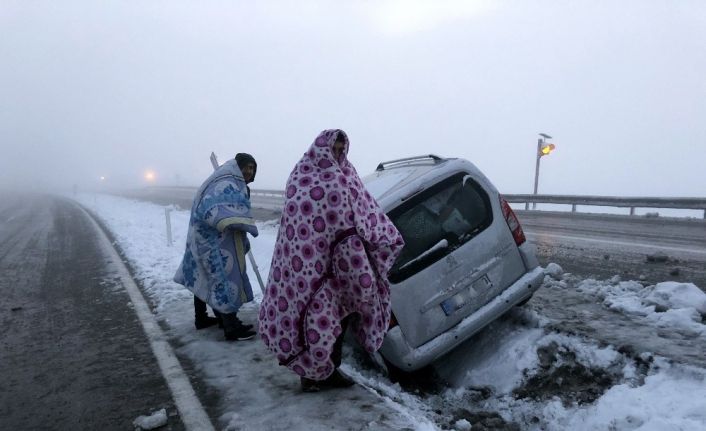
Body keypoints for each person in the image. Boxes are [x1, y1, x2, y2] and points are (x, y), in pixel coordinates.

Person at [258, 129, 404, 392]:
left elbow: (363, 208)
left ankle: (327, 370)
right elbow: (296, 218)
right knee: (314, 319)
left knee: (337, 321)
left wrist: (379, 237)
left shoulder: (348, 173)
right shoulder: (303, 175)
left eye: (341, 149)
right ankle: (314, 374)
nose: (337, 154)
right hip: (308, 264)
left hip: (345, 263)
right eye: (333, 149)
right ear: (321, 148)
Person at [174, 153, 259, 341]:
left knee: (204, 274)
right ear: (236, 167)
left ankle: (205, 318)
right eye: (245, 166)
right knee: (223, 277)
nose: (248, 171)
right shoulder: (226, 184)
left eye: (252, 168)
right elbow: (214, 209)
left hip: (213, 238)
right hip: (212, 238)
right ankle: (231, 327)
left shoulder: (237, 185)